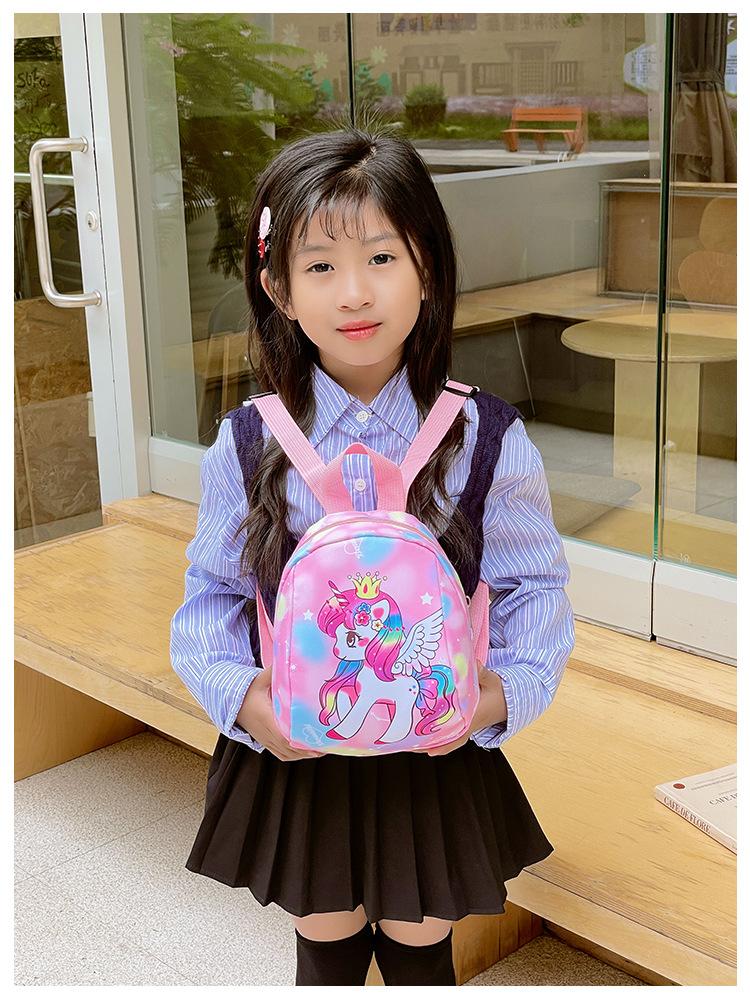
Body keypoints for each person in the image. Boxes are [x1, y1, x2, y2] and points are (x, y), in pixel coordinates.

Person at [170, 123, 576, 987]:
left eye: (382, 257)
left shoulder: (485, 436)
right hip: (300, 740)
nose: (354, 293)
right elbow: (211, 594)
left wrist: (498, 694)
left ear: (427, 266)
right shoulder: (246, 443)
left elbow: (535, 586)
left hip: (432, 744)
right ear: (278, 289)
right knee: (325, 930)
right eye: (320, 266)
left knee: (421, 935)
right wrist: (244, 700)